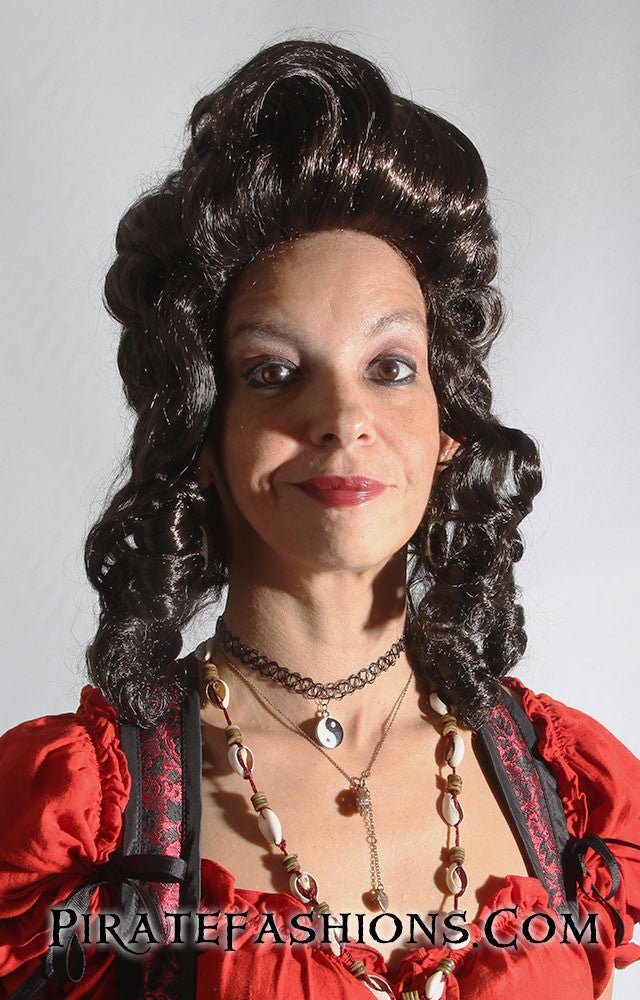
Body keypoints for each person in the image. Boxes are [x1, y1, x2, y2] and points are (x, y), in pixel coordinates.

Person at [0, 38, 638, 1000]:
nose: (342, 418)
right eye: (272, 373)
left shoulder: (569, 791)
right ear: (204, 436)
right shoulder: (78, 817)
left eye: (390, 368)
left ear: (449, 427)